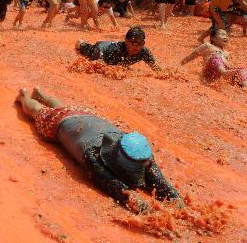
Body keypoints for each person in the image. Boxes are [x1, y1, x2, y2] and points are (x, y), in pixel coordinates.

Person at [14, 87, 181, 213]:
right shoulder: (92, 155)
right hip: (61, 123)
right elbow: (119, 190)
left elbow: (165, 188)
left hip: (86, 118)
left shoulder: (138, 151)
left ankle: (41, 94)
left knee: (65, 108)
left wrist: (180, 205)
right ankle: (24, 97)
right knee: (37, 112)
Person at [180, 28, 247, 93]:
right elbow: (192, 55)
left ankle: (246, 87)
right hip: (210, 73)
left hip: (221, 75)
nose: (226, 36)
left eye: (226, 35)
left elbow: (227, 66)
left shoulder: (226, 53)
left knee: (243, 70)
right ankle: (224, 72)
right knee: (216, 56)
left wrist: (235, 72)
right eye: (222, 34)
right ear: (213, 38)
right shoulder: (208, 46)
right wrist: (178, 66)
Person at [75, 26, 159, 70]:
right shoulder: (114, 51)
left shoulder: (143, 51)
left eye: (141, 43)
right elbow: (105, 68)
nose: (138, 47)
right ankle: (82, 43)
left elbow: (156, 68)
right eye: (134, 44)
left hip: (110, 45)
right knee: (89, 52)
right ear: (126, 41)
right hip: (101, 49)